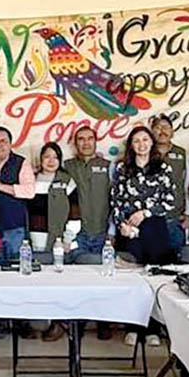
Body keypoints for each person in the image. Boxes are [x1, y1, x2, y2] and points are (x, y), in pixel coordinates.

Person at [112, 126, 175, 347]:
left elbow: (170, 200)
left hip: (154, 228)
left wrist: (145, 213)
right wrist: (121, 224)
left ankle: (152, 329)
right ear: (131, 145)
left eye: (145, 140)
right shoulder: (122, 168)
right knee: (133, 280)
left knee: (153, 280)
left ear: (151, 143)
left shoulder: (163, 167)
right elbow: (116, 200)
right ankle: (133, 327)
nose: (141, 144)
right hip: (130, 229)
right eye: (136, 141)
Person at [64, 127, 118, 340]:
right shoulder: (67, 166)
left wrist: (112, 231)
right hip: (78, 234)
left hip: (103, 232)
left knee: (104, 280)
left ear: (96, 141)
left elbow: (116, 200)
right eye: (81, 139)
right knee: (78, 280)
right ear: (75, 143)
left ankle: (103, 321)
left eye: (89, 139)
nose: (85, 143)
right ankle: (79, 321)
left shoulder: (108, 166)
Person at [27, 142, 78, 342]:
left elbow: (75, 212)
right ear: (40, 159)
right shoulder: (31, 179)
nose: (50, 161)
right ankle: (36, 324)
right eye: (47, 156)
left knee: (59, 285)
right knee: (36, 284)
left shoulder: (66, 181)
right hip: (35, 241)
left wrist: (68, 238)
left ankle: (59, 324)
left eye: (55, 157)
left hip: (59, 243)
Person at [0, 127, 36, 262]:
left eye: (3, 141)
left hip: (14, 228)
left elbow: (29, 192)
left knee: (15, 267)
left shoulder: (21, 162)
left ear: (10, 144)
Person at [151, 115, 189, 249]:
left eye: (166, 127)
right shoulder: (145, 153)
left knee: (177, 259)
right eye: (158, 128)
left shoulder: (181, 154)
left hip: (175, 220)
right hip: (151, 219)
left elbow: (187, 187)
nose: (162, 131)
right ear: (151, 132)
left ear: (172, 132)